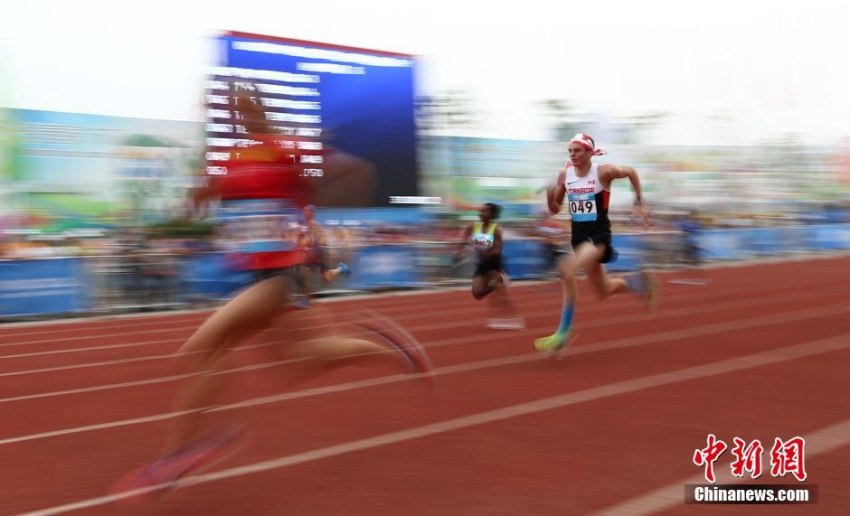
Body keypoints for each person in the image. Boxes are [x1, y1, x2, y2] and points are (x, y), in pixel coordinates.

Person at [112, 85, 433, 497]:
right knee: (300, 361)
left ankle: (179, 457)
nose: (236, 112)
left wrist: (310, 203)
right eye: (230, 107)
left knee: (204, 348)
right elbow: (200, 201)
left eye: (243, 104)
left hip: (286, 274)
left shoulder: (288, 149)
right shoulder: (231, 159)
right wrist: (196, 197)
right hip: (260, 276)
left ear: (261, 109)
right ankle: (390, 348)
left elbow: (354, 171)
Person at [534, 134, 658, 352]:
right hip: (579, 238)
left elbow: (630, 171)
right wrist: (549, 190)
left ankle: (563, 333)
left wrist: (640, 203)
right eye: (570, 151)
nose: (572, 154)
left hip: (598, 237)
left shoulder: (603, 172)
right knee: (603, 290)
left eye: (577, 150)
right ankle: (638, 283)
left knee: (566, 269)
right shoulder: (566, 175)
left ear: (589, 153)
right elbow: (555, 209)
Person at [455, 202, 524, 330]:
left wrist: (490, 251)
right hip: (481, 265)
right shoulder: (473, 226)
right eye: (481, 211)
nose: (481, 213)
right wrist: (460, 250)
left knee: (501, 297)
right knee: (477, 294)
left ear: (491, 214)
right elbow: (465, 235)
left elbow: (499, 247)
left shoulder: (496, 229)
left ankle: (513, 317)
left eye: (484, 211)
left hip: (494, 264)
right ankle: (494, 283)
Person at [295, 205, 351, 308]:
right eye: (304, 210)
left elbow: (319, 241)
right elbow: (302, 239)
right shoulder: (304, 225)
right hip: (313, 254)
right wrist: (301, 242)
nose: (304, 212)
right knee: (326, 278)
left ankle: (306, 300)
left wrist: (309, 247)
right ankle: (341, 269)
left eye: (307, 211)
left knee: (304, 275)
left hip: (318, 254)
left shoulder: (314, 225)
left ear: (312, 212)